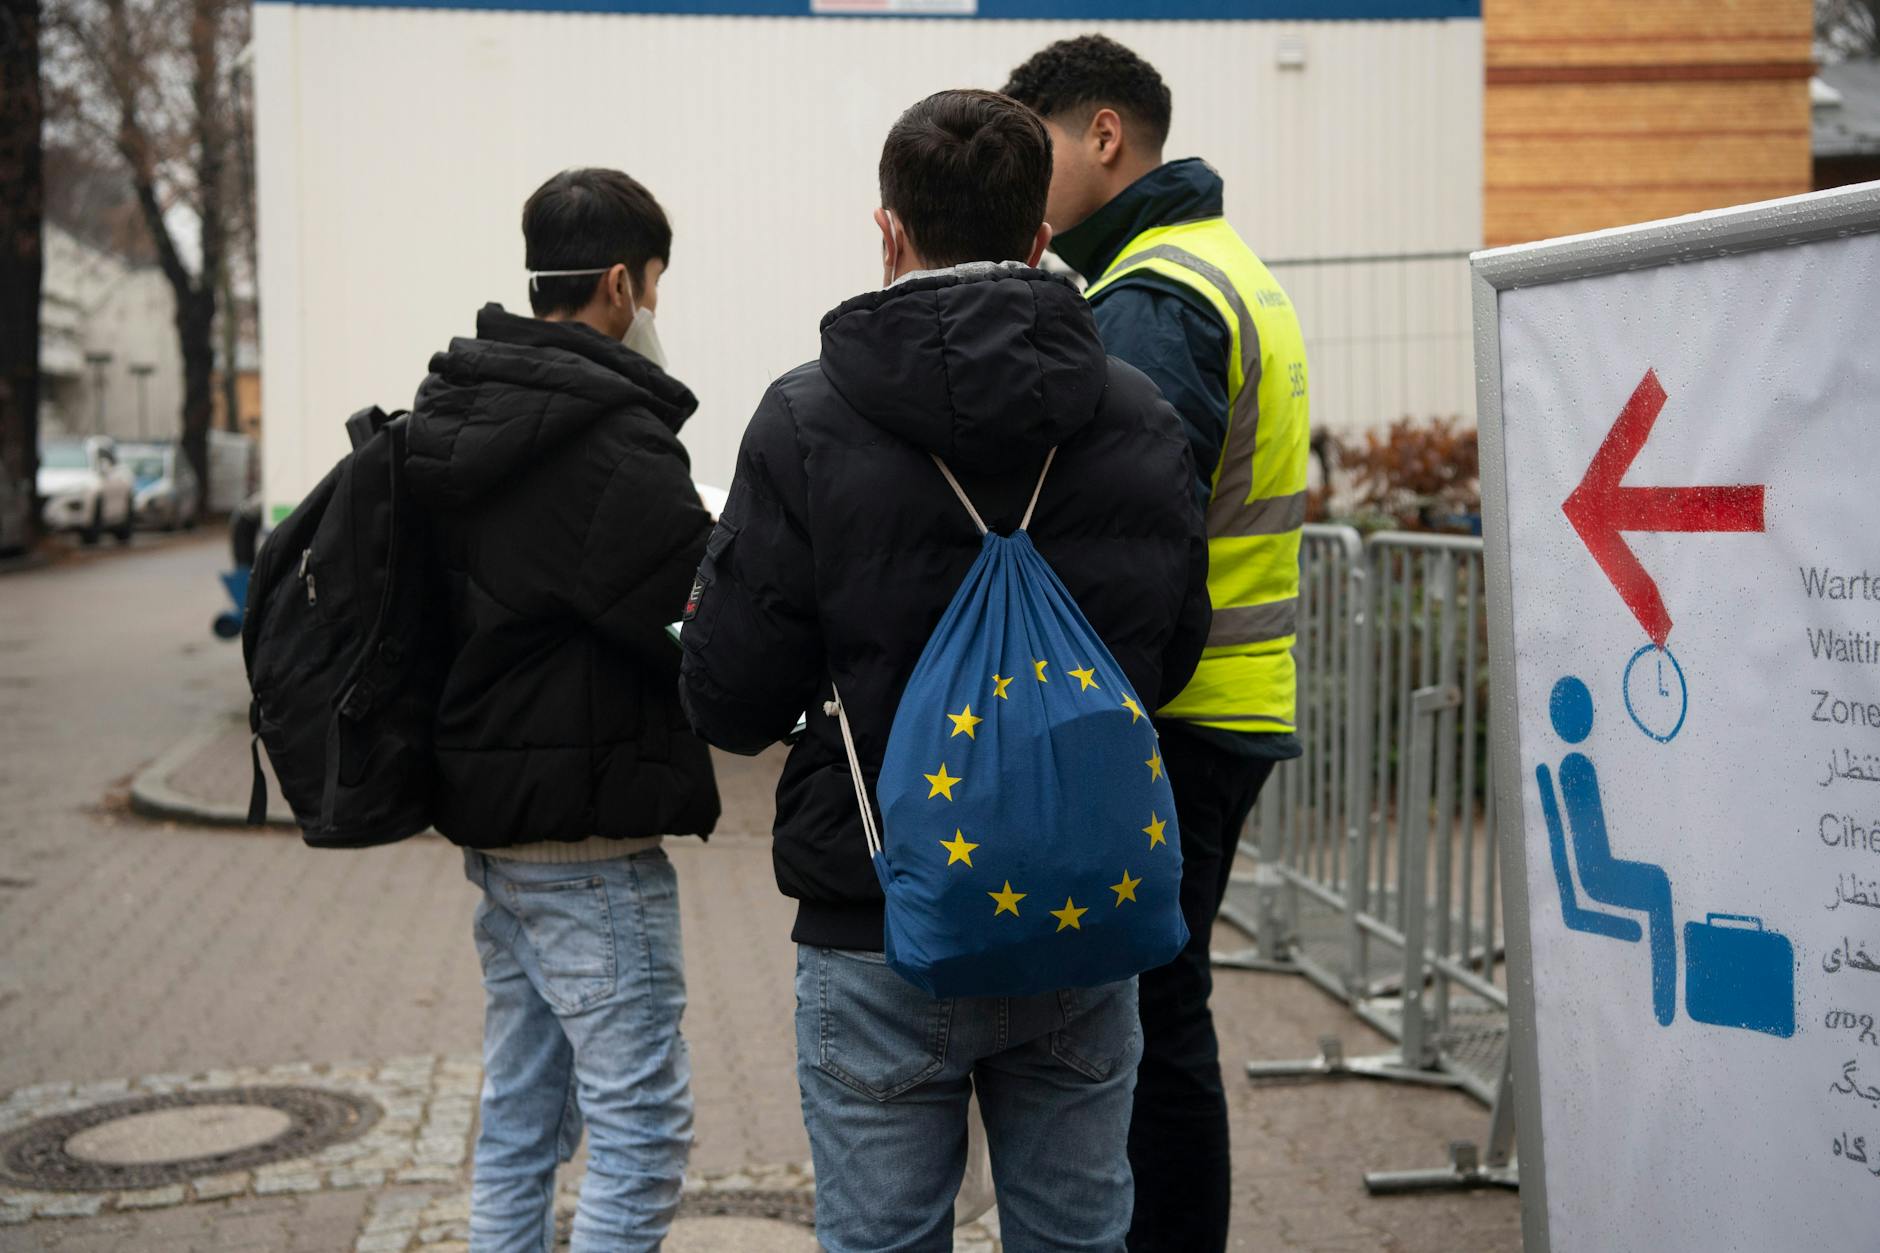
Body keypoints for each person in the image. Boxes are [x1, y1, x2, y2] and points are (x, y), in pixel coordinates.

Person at [679, 89, 1210, 1251]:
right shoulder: (1136, 414)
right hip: (1086, 909)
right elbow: (1169, 656)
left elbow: (728, 694)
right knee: (1076, 1237)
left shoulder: (804, 417)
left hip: (877, 916)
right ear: (1036, 239)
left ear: (888, 231)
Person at [1004, 35, 1311, 1253]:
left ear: (1102, 136)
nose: (1023, 189)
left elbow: (1125, 539)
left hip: (1175, 713)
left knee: (1150, 1023)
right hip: (1224, 699)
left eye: (1033, 154)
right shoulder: (1220, 265)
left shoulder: (1153, 295)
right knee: (1165, 1007)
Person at [405, 167, 720, 1252]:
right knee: (640, 1125)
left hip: (496, 826)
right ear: (624, 286)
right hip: (590, 832)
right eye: (657, 287)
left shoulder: (456, 408)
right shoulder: (612, 441)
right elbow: (695, 620)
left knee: (523, 1111)